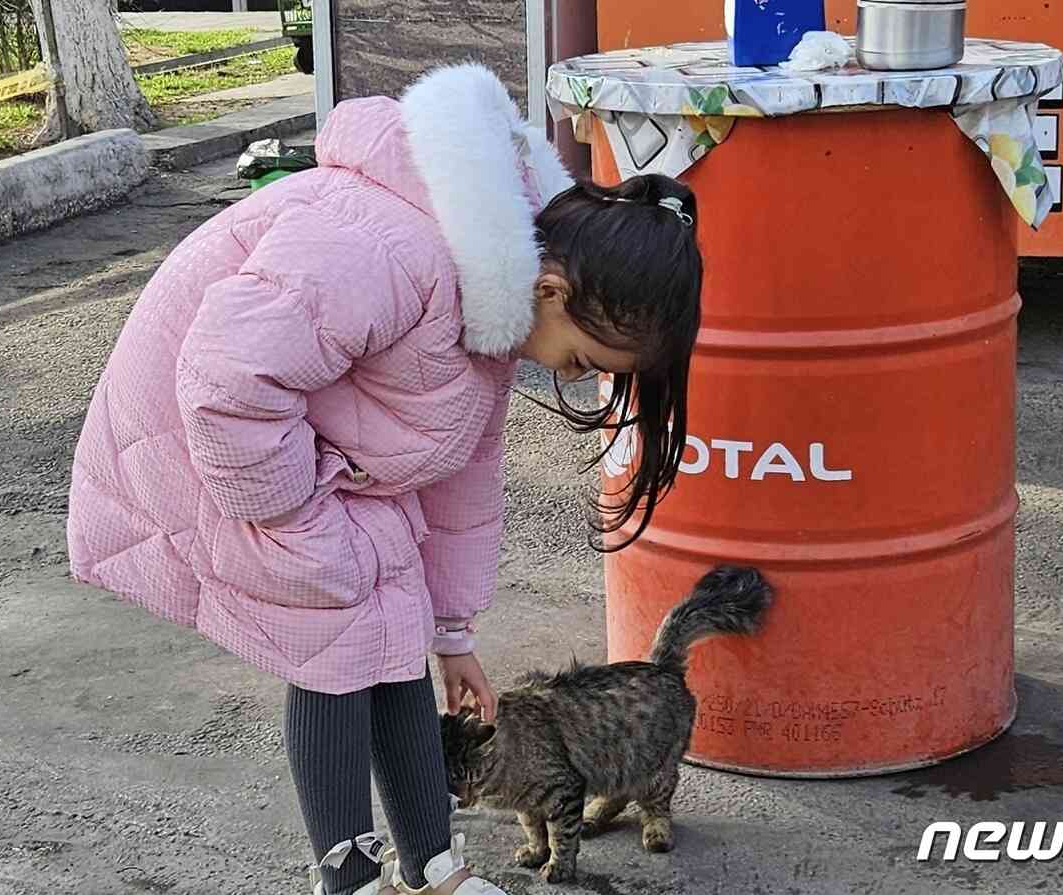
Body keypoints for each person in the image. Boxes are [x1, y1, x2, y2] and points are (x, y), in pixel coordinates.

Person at [66, 63, 703, 895]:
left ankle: (432, 868)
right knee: (338, 643)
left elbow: (461, 468)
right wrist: (299, 526)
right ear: (553, 287)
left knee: (397, 628)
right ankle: (349, 882)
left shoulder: (497, 302)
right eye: (586, 360)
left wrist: (452, 630)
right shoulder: (391, 247)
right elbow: (227, 382)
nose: (580, 381)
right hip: (213, 447)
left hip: (321, 458)